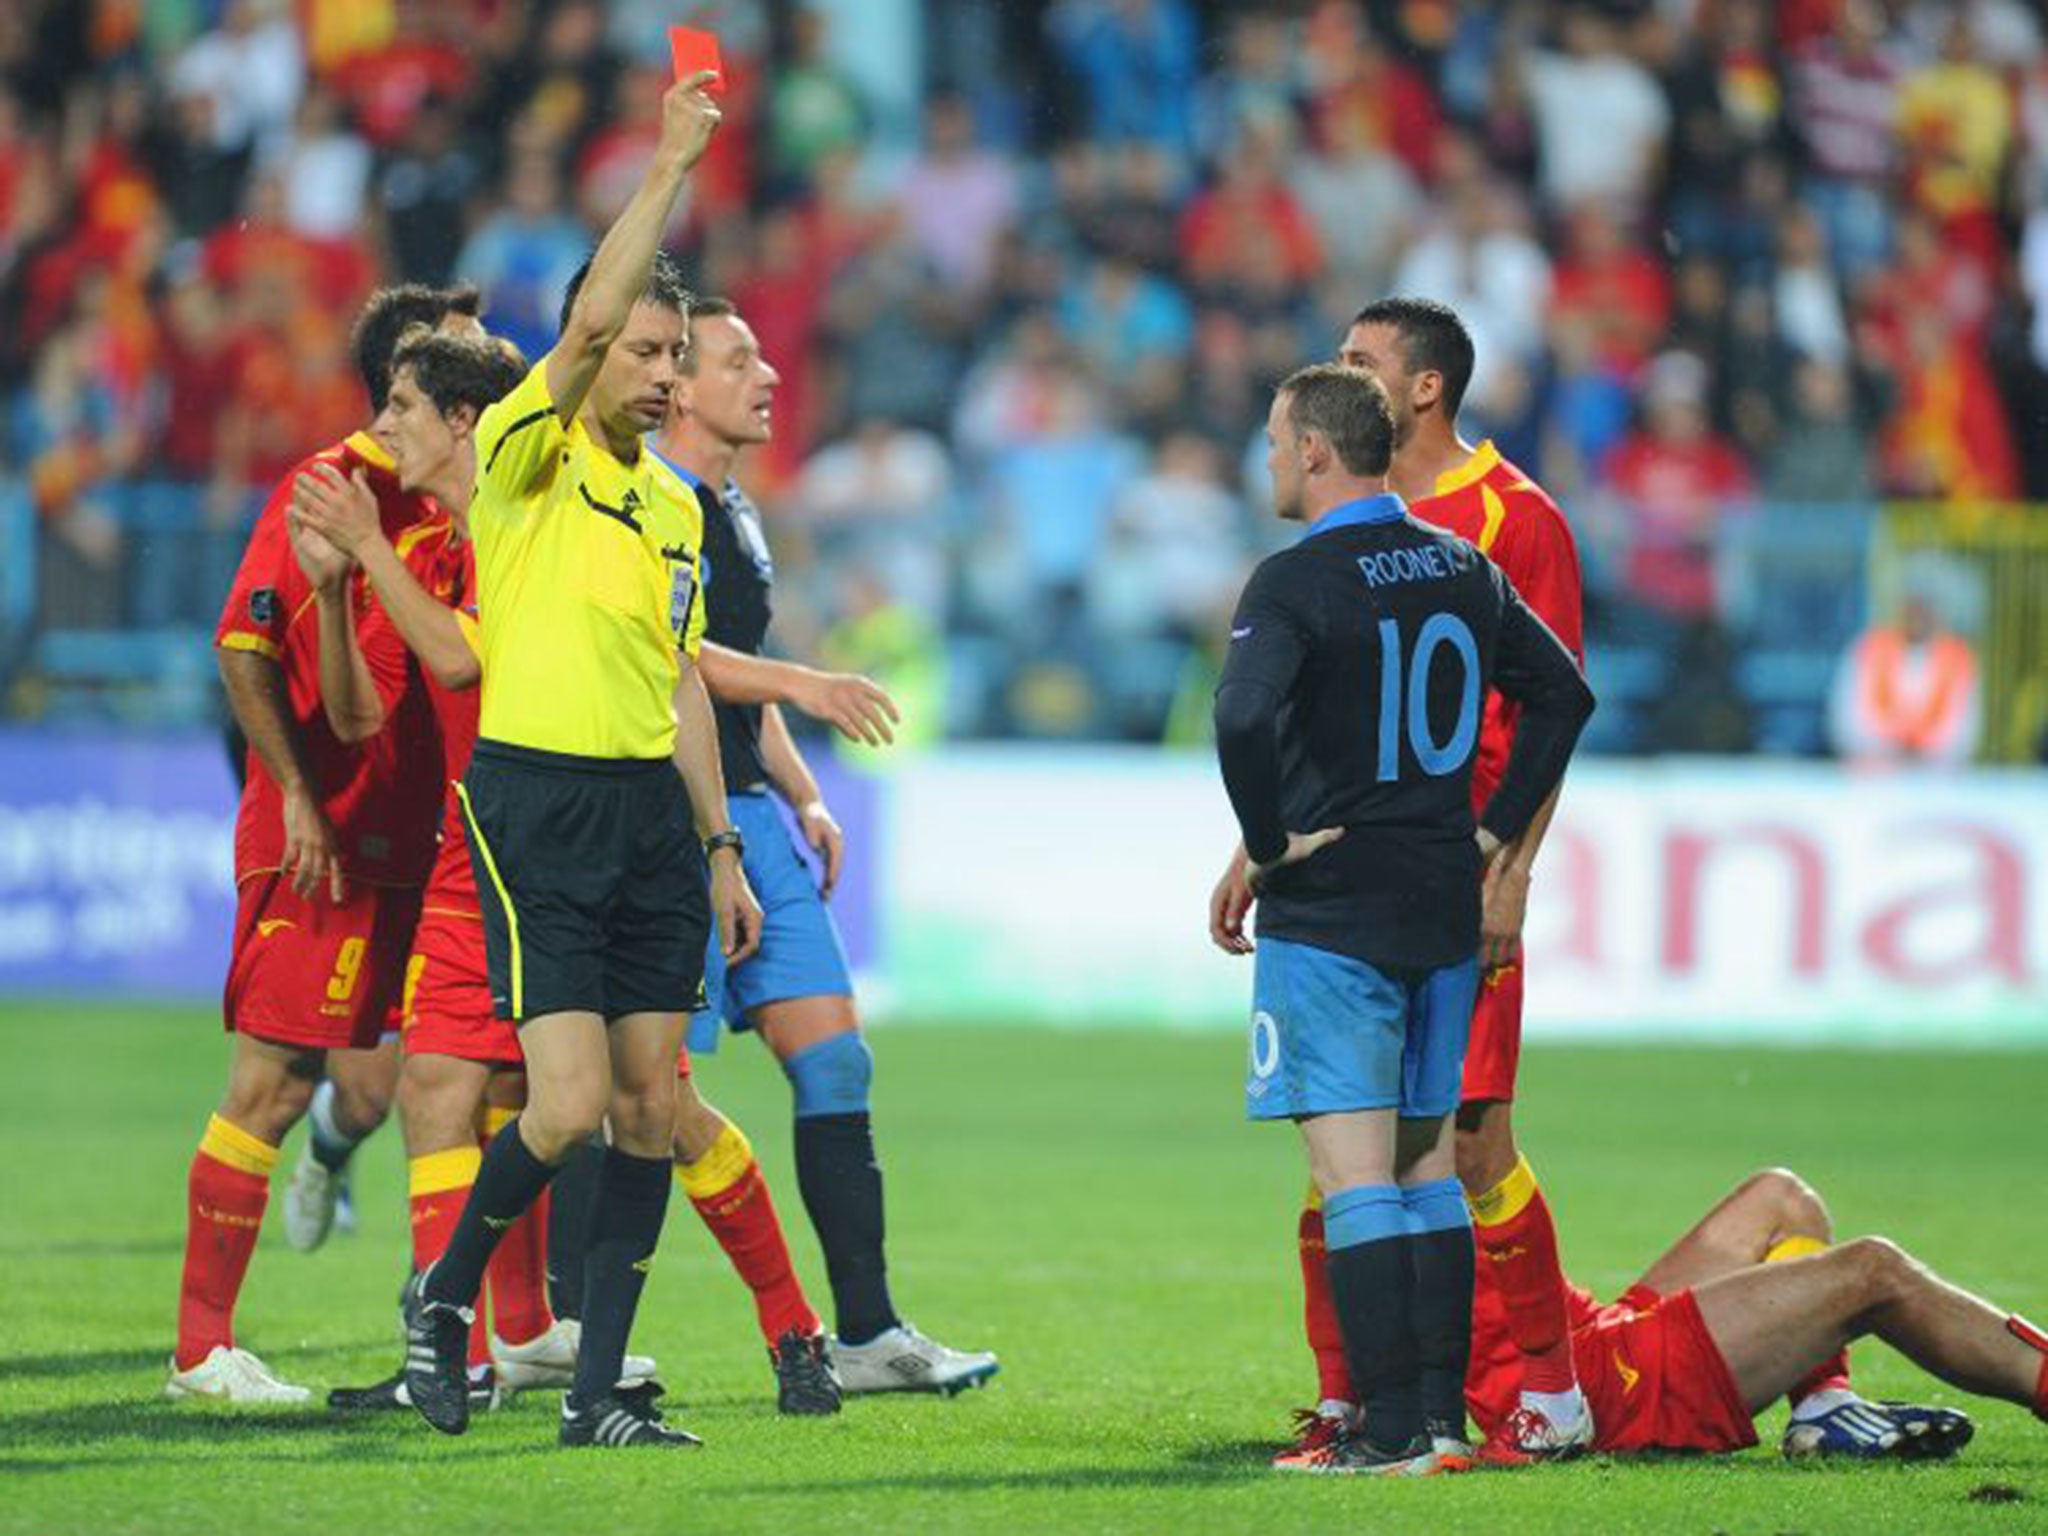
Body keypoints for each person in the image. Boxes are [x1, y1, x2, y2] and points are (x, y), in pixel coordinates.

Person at [295, 326, 840, 1417]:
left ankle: (786, 1327)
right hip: (488, 854)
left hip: (596, 829)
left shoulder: (538, 501)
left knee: (652, 1108)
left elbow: (534, 658)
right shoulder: (424, 539)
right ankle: (468, 1344)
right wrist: (331, 589)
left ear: (469, 423)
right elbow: (359, 713)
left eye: (399, 405)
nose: (380, 426)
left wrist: (729, 821)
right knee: (444, 1095)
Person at [400, 73, 760, 1451]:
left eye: (680, 356)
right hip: (536, 799)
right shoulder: (523, 456)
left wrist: (721, 845)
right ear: (587, 354)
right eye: (647, 352)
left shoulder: (676, 508)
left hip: (651, 821)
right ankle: (442, 1304)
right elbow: (596, 306)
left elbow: (674, 684)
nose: (665, 374)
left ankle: (602, 1391)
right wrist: (672, 159)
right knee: (560, 1103)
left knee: (653, 1102)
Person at [1216, 298, 1595, 1461]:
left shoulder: (1327, 566)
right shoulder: (1456, 561)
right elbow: (1560, 694)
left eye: (1358, 364)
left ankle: (1417, 1416)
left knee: (1370, 1165)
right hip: (1434, 881)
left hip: (1354, 898)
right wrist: (1470, 843)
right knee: (1424, 1158)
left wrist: (1270, 838)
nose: (1277, 455)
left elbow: (1242, 713)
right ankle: (1417, 1410)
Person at [653, 298, 1000, 1394]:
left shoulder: (737, 507)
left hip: (753, 812)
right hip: (669, 816)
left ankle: (866, 1334)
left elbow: (738, 668)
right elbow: (667, 660)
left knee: (836, 1060)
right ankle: (551, 1332)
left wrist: (805, 795)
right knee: (636, 1096)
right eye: (736, 358)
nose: (765, 374)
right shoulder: (648, 502)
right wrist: (804, 685)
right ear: (678, 385)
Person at [166, 282, 484, 1405]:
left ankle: (488, 1339)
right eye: (453, 357)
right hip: (329, 841)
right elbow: (243, 643)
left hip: (425, 843)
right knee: (277, 1075)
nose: (481, 370)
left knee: (454, 1081)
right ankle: (202, 1348)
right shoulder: (330, 487)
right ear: (401, 380)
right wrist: (294, 793)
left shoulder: (463, 497)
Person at [1465, 1163, 2048, 1461]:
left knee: (1781, 1198)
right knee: (1874, 1271)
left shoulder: (1401, 1135)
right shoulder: (1431, 1144)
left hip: (1589, 1342)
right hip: (1588, 1393)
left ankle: (1823, 1406)